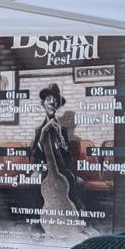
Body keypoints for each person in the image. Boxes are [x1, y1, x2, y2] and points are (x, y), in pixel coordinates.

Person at [32, 83, 85, 239]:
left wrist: (62, 142)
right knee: (38, 184)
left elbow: (69, 160)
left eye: (55, 100)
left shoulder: (62, 130)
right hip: (45, 171)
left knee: (70, 181)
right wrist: (42, 135)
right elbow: (34, 157)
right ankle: (38, 225)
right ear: (43, 103)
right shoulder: (38, 130)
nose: (52, 102)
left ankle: (72, 222)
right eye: (48, 99)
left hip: (62, 171)